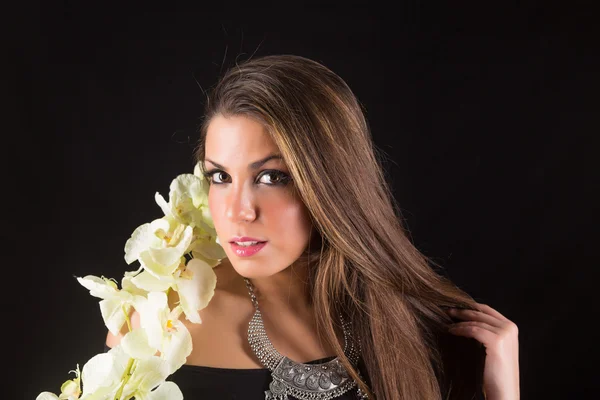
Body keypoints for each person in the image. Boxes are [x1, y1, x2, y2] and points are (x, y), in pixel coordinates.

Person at [106, 54, 520, 399]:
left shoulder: (410, 327)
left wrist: (503, 392)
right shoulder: (158, 320)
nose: (239, 211)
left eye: (272, 177)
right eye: (220, 177)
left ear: (331, 183)